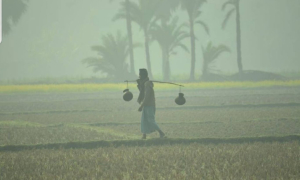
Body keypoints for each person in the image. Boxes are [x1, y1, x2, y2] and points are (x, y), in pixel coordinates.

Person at [137, 69, 165, 139]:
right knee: (144, 120)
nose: (139, 76)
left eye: (140, 75)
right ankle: (144, 135)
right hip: (146, 105)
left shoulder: (147, 84)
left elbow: (147, 96)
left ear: (143, 75)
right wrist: (139, 84)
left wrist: (141, 106)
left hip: (149, 105)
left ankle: (161, 133)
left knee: (150, 120)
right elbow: (142, 92)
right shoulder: (144, 83)